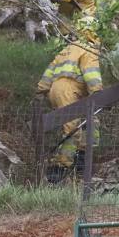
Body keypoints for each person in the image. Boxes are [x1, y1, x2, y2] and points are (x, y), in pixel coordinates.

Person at [36, 23, 103, 183]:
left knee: (91, 121)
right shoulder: (89, 49)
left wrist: (40, 91)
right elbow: (91, 75)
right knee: (72, 128)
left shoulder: (67, 49)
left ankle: (83, 157)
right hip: (69, 91)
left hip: (56, 90)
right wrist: (99, 94)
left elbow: (48, 72)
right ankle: (61, 166)